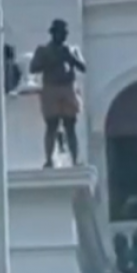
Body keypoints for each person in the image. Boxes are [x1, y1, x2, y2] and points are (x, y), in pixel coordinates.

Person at [29, 18, 86, 168]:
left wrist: (71, 58)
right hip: (51, 88)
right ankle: (49, 159)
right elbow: (33, 68)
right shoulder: (43, 50)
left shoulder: (72, 50)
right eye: (61, 33)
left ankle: (75, 159)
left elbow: (83, 67)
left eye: (65, 33)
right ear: (54, 33)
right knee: (52, 125)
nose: (64, 36)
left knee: (70, 126)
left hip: (68, 87)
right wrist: (52, 60)